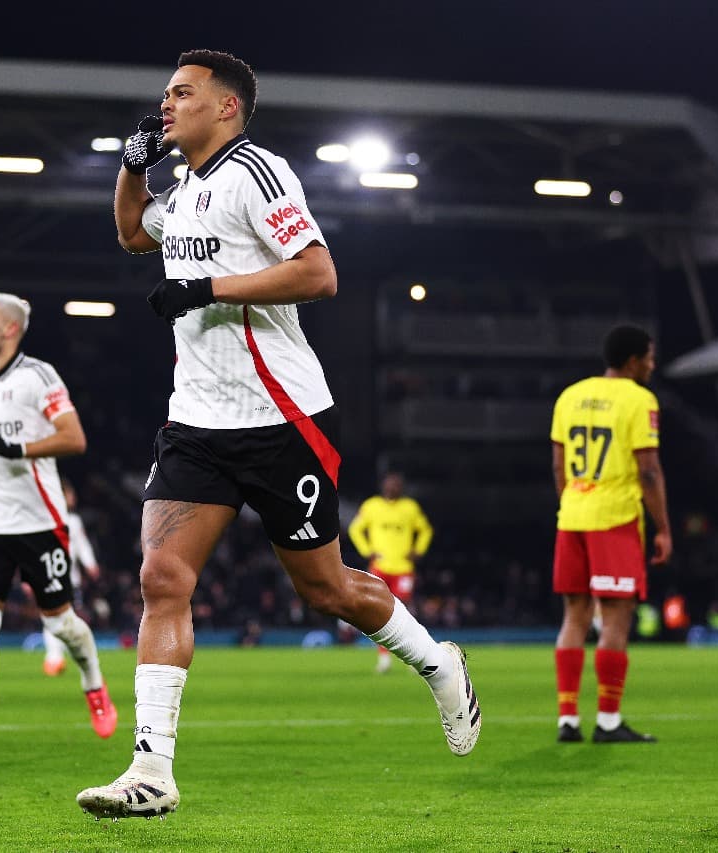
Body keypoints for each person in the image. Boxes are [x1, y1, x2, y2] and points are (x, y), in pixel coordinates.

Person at [76, 49, 480, 820]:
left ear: (225, 107)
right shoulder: (185, 187)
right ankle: (151, 768)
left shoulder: (257, 173)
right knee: (161, 578)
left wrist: (207, 286)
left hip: (281, 418)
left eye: (182, 94)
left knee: (325, 588)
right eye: (164, 95)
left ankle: (437, 662)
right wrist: (132, 167)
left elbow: (318, 272)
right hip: (195, 422)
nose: (166, 106)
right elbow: (133, 232)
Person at [0, 291, 118, 756]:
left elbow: (74, 438)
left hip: (38, 521)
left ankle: (94, 684)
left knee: (63, 624)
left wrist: (17, 450)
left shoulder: (37, 377)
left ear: (10, 329)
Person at [550, 324, 671, 744]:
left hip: (573, 518)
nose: (652, 366)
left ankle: (567, 719)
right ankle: (608, 720)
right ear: (634, 360)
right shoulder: (640, 399)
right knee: (616, 620)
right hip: (614, 520)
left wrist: (572, 503)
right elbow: (649, 470)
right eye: (650, 358)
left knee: (575, 617)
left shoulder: (570, 395)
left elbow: (559, 464)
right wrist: (664, 529)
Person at [347, 472, 434, 673]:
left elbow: (426, 530)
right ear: (383, 486)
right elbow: (355, 529)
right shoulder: (372, 506)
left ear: (401, 487)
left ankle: (414, 656)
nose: (392, 487)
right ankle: (384, 658)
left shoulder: (410, 508)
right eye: (389, 483)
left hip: (404, 567)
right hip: (380, 567)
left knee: (405, 611)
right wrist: (367, 551)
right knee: (380, 612)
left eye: (396, 484)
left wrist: (418, 550)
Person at [42, 477, 102, 676]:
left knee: (66, 617)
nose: (73, 498)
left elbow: (82, 546)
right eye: (70, 494)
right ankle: (54, 657)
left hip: (70, 580)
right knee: (52, 617)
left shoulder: (73, 521)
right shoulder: (47, 521)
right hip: (51, 577)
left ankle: (60, 654)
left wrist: (90, 565)